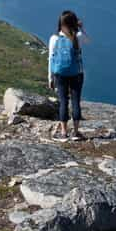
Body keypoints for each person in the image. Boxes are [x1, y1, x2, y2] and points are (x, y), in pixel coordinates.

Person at [48, 10, 89, 141]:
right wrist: (81, 28)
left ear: (60, 23)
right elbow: (88, 41)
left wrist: (50, 77)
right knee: (76, 102)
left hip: (60, 74)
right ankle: (76, 133)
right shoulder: (79, 36)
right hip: (77, 73)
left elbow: (50, 59)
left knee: (63, 102)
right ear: (74, 23)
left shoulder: (54, 38)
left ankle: (64, 133)